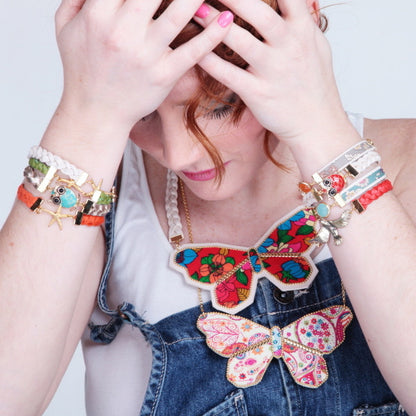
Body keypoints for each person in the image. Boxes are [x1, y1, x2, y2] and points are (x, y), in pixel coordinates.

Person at [1, 0, 415, 415]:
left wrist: (320, 129)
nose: (178, 155)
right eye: (142, 113)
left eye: (219, 105)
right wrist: (84, 116)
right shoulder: (101, 195)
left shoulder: (405, 158)